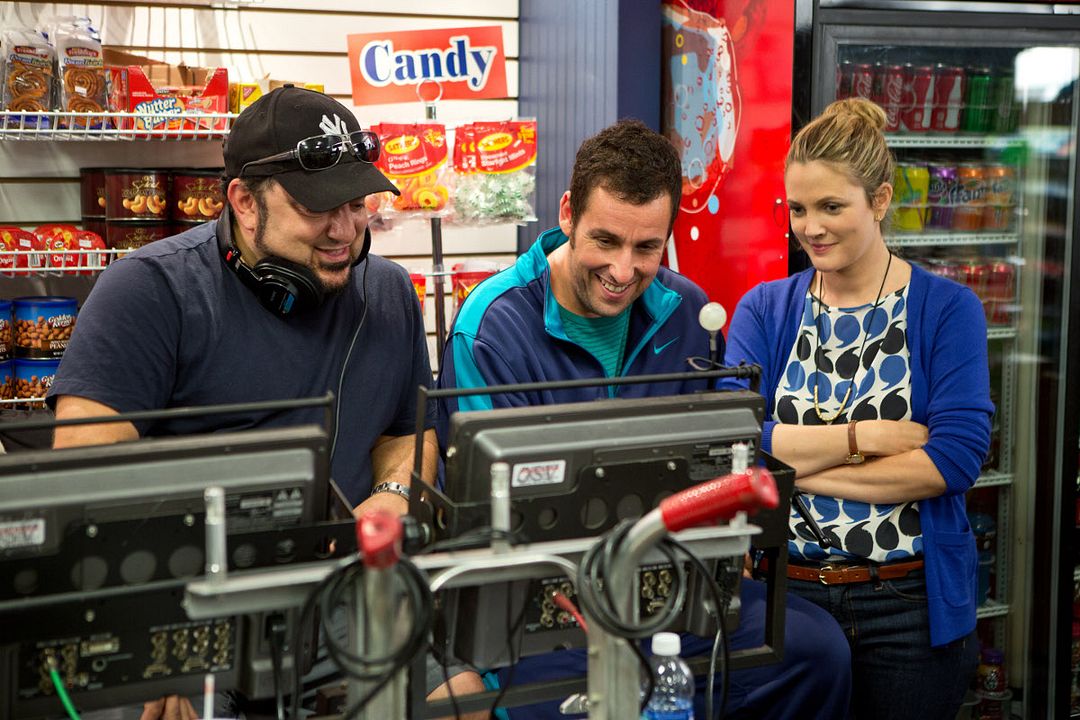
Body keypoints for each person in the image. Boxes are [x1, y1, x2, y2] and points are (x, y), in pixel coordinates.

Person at [47, 86, 483, 719]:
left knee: (461, 701)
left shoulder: (387, 293)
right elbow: (83, 484)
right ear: (245, 202)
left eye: (357, 203)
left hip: (340, 598)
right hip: (186, 607)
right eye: (319, 208)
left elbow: (405, 432)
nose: (345, 230)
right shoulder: (146, 291)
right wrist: (152, 630)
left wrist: (390, 496)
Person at [437, 118, 852, 719]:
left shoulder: (685, 309)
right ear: (566, 215)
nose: (625, 271)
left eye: (646, 248)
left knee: (815, 652)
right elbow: (490, 515)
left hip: (671, 587)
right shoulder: (493, 324)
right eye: (606, 241)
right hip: (544, 608)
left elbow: (719, 453)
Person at [721, 97, 994, 719]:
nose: (810, 227)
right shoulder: (765, 308)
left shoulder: (947, 310)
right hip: (783, 599)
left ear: (881, 199)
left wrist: (789, 472)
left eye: (831, 207)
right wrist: (865, 436)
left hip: (906, 609)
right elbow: (733, 437)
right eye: (797, 208)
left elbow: (951, 463)